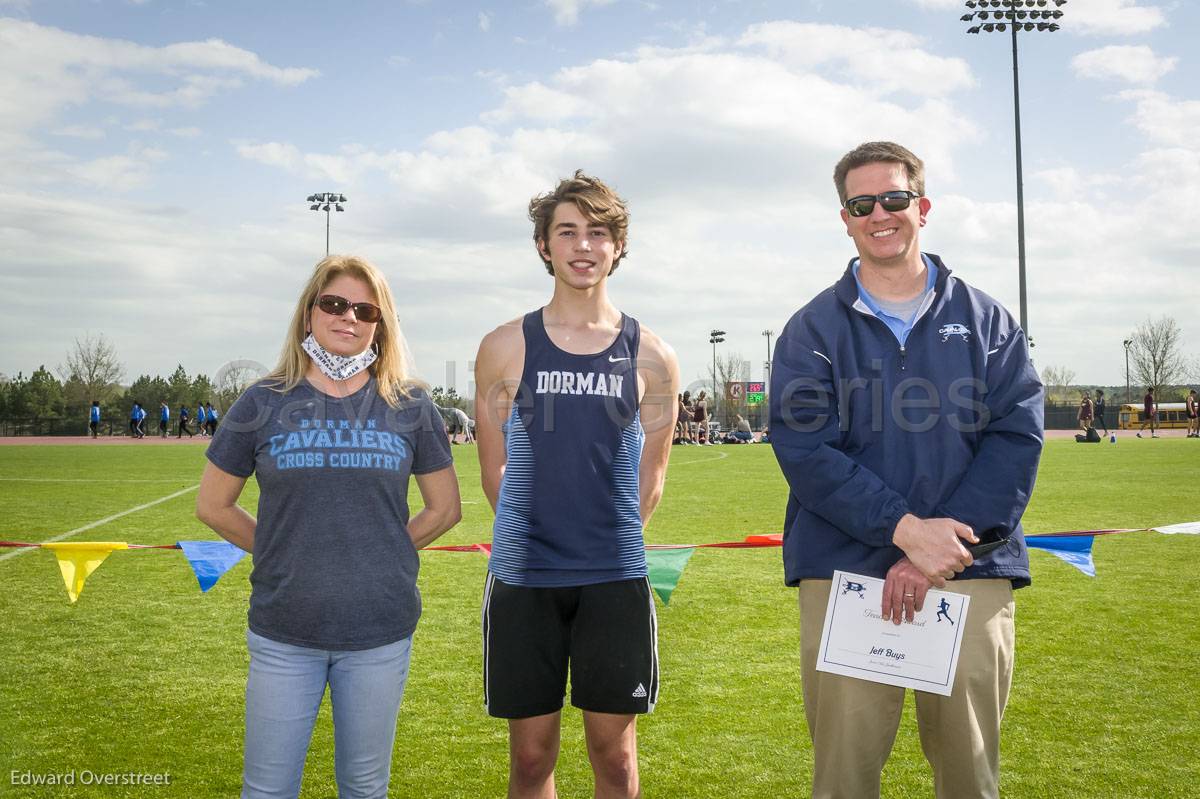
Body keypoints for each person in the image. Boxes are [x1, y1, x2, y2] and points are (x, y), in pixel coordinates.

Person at [770, 141, 1043, 799]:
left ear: (921, 206)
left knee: (968, 777)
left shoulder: (987, 321)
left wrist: (934, 548)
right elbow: (806, 451)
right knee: (843, 779)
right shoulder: (809, 328)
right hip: (844, 569)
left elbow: (1016, 435)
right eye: (862, 204)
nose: (879, 214)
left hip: (969, 566)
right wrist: (901, 529)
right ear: (845, 218)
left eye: (893, 199)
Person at [196, 254, 462, 799]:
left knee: (364, 787)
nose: (349, 317)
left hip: (378, 630)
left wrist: (380, 551)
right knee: (267, 789)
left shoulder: (410, 404)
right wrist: (279, 552)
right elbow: (214, 505)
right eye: (335, 304)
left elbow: (444, 509)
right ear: (309, 313)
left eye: (365, 309)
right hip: (283, 630)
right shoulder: (262, 400)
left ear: (380, 325)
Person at [474, 170, 680, 799]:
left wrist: (607, 540)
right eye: (568, 232)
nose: (583, 246)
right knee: (531, 760)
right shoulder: (505, 346)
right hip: (524, 577)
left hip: (614, 578)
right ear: (544, 246)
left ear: (618, 246)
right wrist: (537, 537)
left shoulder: (653, 354)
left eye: (598, 232)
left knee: (614, 759)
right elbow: (493, 470)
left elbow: (653, 475)